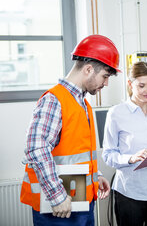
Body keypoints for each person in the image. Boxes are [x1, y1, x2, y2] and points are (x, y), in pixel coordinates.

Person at [20, 34, 120, 225]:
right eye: (105, 76)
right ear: (88, 69)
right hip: (59, 208)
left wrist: (96, 176)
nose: (106, 83)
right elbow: (36, 148)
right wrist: (57, 195)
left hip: (80, 201)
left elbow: (76, 152)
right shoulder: (54, 100)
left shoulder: (81, 103)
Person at [102, 61, 147, 226]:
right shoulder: (116, 114)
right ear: (130, 84)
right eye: (142, 85)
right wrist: (130, 158)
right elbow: (108, 155)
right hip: (130, 192)